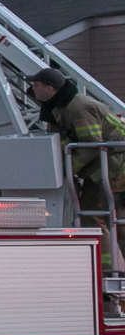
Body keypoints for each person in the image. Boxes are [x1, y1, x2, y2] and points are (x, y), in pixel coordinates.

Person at [29, 66, 125, 267]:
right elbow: (60, 142)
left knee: (106, 218)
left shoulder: (79, 108)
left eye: (36, 85)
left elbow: (91, 145)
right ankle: (105, 269)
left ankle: (107, 271)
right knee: (95, 217)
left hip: (116, 168)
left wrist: (68, 170)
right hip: (103, 168)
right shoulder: (58, 108)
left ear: (50, 89)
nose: (32, 89)